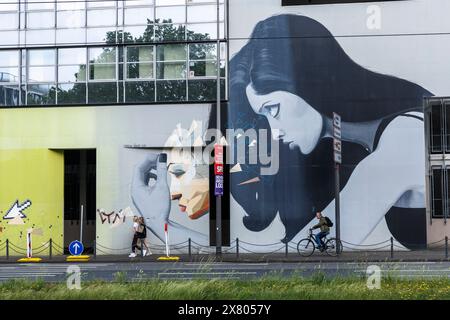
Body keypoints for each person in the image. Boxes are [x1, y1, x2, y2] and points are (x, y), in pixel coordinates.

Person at [227, 13, 432, 248]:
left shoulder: (405, 139)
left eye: (274, 109)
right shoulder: (376, 140)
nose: (275, 131)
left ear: (308, 82)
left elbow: (308, 252)